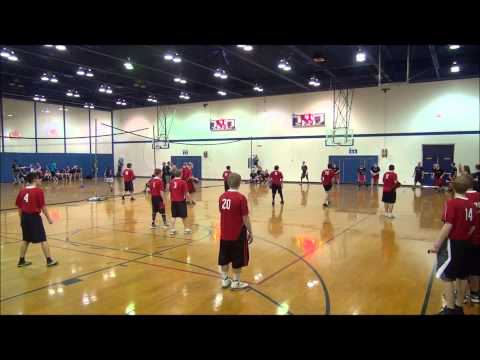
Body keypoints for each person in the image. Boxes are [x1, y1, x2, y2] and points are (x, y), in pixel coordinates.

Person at [428, 175, 477, 315]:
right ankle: (458, 307)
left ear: (453, 187)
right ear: (467, 188)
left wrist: (437, 244)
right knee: (462, 276)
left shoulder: (452, 203)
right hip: (466, 243)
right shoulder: (472, 205)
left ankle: (449, 309)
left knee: (447, 276)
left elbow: (448, 225)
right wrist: (464, 236)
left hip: (452, 244)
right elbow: (473, 227)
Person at [218, 172, 253, 290]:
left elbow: (221, 212)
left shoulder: (222, 197)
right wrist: (250, 231)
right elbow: (245, 217)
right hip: (237, 234)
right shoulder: (241, 198)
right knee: (237, 258)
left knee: (224, 257)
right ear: (239, 183)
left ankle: (225, 280)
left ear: (228, 182)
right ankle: (236, 282)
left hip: (224, 234)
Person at [15, 172, 58, 268]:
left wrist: (21, 220)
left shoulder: (22, 191)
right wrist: (49, 219)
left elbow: (19, 208)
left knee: (25, 239)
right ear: (34, 179)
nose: (41, 180)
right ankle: (49, 260)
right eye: (39, 178)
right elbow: (43, 207)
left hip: (25, 218)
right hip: (34, 218)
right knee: (43, 239)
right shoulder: (38, 191)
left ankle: (21, 261)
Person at [465, 175, 480, 304]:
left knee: (463, 268)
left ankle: (463, 294)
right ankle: (475, 294)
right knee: (476, 267)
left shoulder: (462, 198)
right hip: (478, 238)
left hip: (465, 239)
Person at [169, 169, 192, 235]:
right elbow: (187, 193)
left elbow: (170, 191)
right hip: (181, 201)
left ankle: (172, 230)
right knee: (184, 216)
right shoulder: (183, 182)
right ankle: (186, 229)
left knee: (173, 216)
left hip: (173, 201)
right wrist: (190, 201)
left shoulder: (171, 182)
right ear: (181, 174)